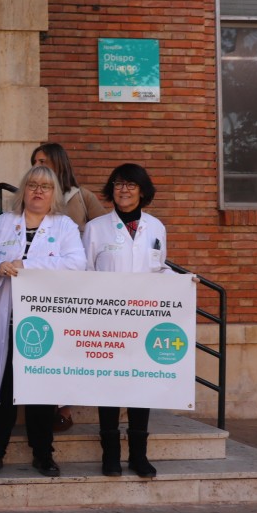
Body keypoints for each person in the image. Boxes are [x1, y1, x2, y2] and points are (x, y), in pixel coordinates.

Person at [0, 165, 86, 478]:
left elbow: (77, 264)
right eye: (32, 185)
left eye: (45, 187)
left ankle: (43, 455)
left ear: (53, 194)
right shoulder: (5, 223)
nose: (38, 191)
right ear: (23, 190)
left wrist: (28, 264)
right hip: (6, 321)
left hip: (43, 325)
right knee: (1, 392)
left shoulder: (64, 226)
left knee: (42, 390)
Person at [83, 163, 170, 479]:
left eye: (131, 185)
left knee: (139, 388)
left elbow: (158, 270)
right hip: (107, 323)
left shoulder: (156, 228)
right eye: (118, 184)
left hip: (143, 321)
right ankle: (110, 456)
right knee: (108, 388)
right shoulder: (96, 228)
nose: (124, 190)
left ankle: (138, 455)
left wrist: (182, 282)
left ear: (142, 190)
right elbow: (85, 275)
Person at [31, 142, 108, 432]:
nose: (39, 165)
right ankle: (40, 402)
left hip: (73, 284)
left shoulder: (80, 196)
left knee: (66, 346)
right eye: (35, 161)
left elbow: (106, 230)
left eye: (45, 161)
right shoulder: (29, 195)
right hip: (39, 287)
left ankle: (64, 406)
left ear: (60, 164)